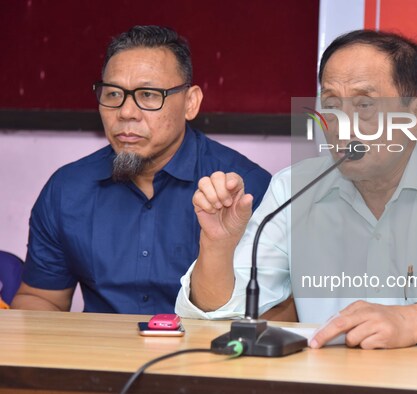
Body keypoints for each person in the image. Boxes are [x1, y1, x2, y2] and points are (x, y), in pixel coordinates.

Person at [175, 30, 417, 349]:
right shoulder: (294, 187)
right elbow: (215, 315)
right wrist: (217, 247)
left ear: (415, 116)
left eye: (365, 105)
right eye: (330, 103)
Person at [11, 25, 271, 314]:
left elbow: (276, 314)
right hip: (97, 355)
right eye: (112, 94)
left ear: (190, 103)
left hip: (205, 355)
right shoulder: (67, 190)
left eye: (148, 95)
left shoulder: (245, 190)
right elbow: (41, 297)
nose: (125, 112)